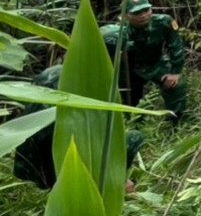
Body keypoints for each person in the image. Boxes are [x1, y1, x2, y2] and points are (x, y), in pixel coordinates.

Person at [13, 60, 144, 192]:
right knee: (134, 138)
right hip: (63, 178)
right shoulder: (68, 115)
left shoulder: (32, 109)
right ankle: (116, 183)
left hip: (27, 174)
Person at [117, 0, 187, 122]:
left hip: (156, 62)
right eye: (137, 13)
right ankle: (135, 125)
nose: (143, 15)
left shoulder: (164, 22)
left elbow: (176, 46)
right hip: (130, 69)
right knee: (130, 101)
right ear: (127, 15)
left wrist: (175, 72)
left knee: (176, 86)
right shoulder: (119, 31)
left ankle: (176, 121)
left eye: (146, 10)